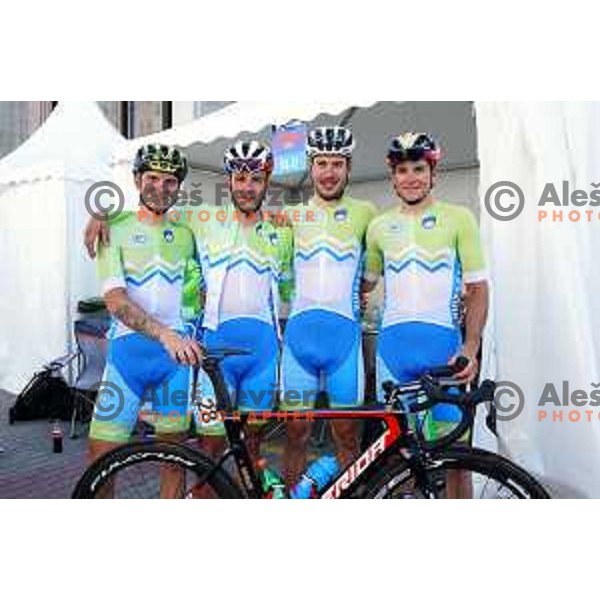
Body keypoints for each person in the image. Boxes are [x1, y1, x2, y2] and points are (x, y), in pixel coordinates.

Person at [363, 132, 489, 497]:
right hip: (393, 355)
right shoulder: (378, 227)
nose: (411, 177)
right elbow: (364, 285)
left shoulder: (459, 219)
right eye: (403, 170)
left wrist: (471, 344)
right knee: (401, 459)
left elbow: (479, 288)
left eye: (419, 168)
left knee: (456, 460)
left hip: (445, 355)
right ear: (393, 177)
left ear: (433, 172)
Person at [88, 144, 204, 498]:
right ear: (137, 180)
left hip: (176, 364)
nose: (161, 187)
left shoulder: (186, 234)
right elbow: (115, 302)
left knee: (174, 462)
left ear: (179, 187)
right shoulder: (113, 227)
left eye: (170, 181)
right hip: (128, 360)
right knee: (101, 464)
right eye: (152, 177)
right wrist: (164, 334)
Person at [280, 126, 377, 489]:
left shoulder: (366, 212)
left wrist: (360, 292)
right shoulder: (292, 215)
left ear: (348, 168)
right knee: (295, 435)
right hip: (298, 343)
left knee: (348, 439)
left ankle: (342, 496)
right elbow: (238, 221)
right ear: (311, 166)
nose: (329, 172)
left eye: (337, 164)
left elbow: (382, 260)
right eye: (322, 163)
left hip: (345, 344)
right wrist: (109, 218)